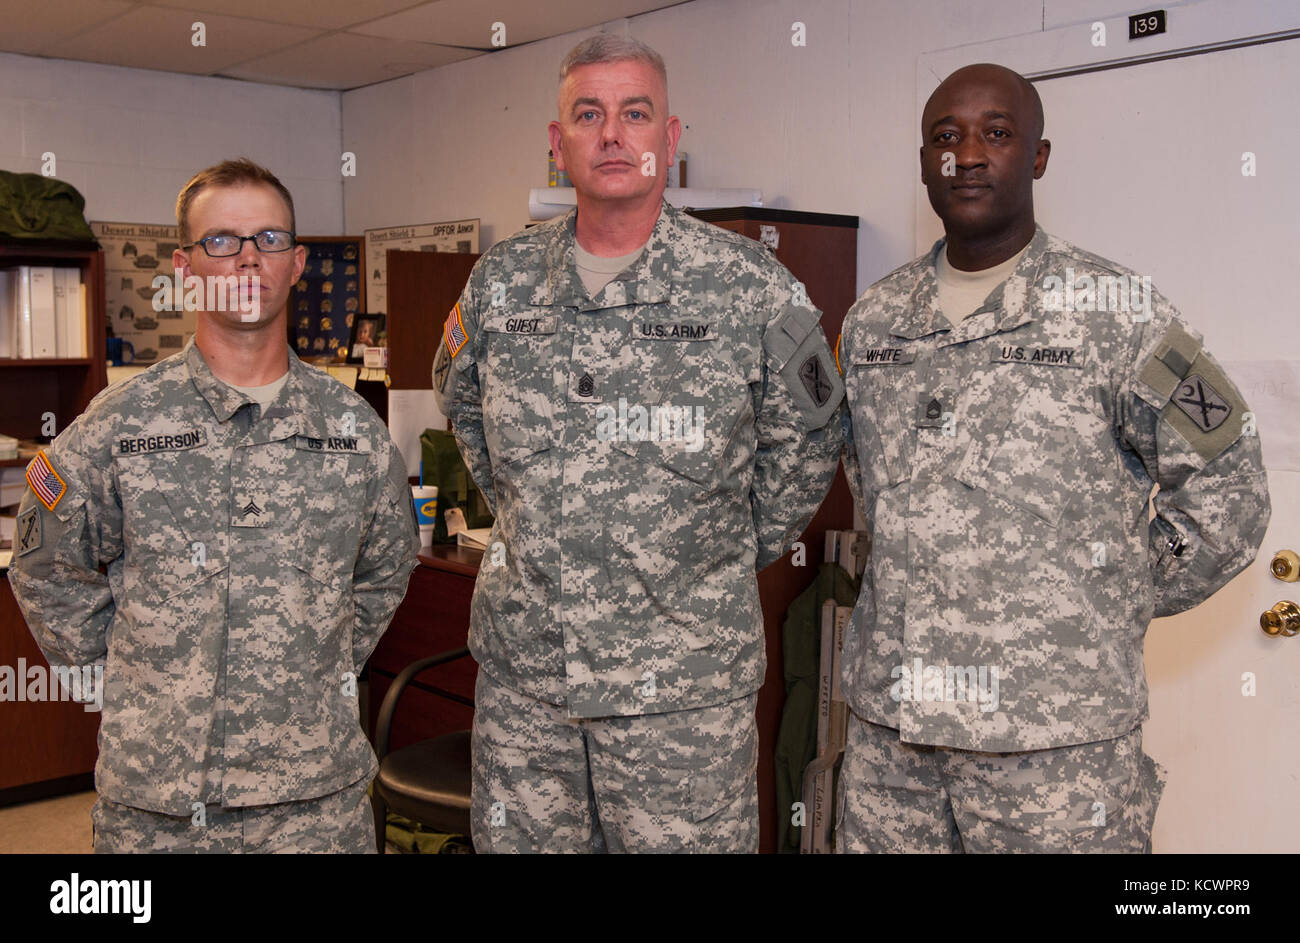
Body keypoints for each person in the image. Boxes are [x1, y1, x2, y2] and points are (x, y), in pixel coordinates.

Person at [835, 63, 1270, 853]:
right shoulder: (873, 324)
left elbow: (1229, 480)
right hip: (893, 747)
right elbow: (874, 486)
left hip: (1056, 751)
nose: (967, 155)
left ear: (1037, 156)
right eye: (945, 137)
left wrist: (1109, 593)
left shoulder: (1119, 312)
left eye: (996, 133)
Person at [433, 34, 843, 852]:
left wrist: (716, 550)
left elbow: (813, 434)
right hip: (529, 692)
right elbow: (464, 405)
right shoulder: (501, 282)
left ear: (670, 136)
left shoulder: (752, 285)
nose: (612, 134)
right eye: (588, 115)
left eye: (635, 113)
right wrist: (533, 515)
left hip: (682, 698)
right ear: (558, 144)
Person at [10, 158, 420, 853]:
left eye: (268, 238)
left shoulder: (353, 432)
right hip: (160, 805)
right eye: (222, 241)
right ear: (185, 266)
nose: (247, 259)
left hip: (314, 801)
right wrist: (139, 678)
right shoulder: (121, 423)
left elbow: (385, 567)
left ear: (297, 262)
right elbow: (46, 563)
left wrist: (310, 662)